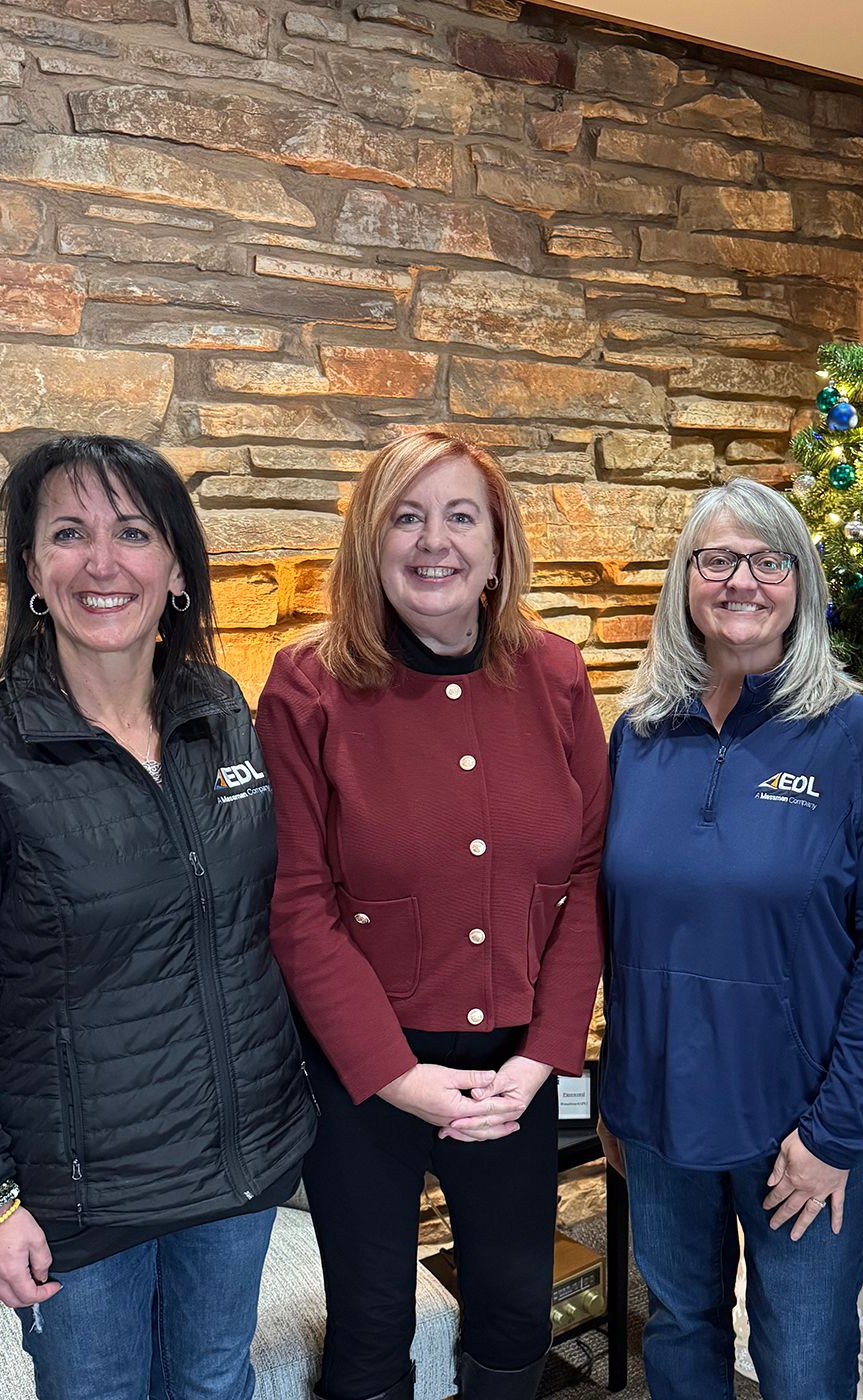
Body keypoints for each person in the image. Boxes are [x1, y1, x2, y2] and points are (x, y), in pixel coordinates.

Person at [0, 435, 317, 1399]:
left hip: (241, 1167)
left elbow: (261, 922)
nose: (102, 563)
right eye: (69, 534)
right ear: (32, 570)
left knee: (214, 1382)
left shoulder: (220, 710)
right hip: (83, 1201)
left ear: (177, 569)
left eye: (134, 533)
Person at [257, 429, 607, 1400]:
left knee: (515, 1308)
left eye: (460, 516)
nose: (433, 541)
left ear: (497, 547)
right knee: (371, 1323)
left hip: (511, 1072)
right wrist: (397, 1075)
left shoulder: (557, 674)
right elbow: (297, 902)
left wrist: (541, 1058)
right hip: (362, 1071)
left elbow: (586, 876)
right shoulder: (306, 684)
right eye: (405, 517)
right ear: (370, 542)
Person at [596, 477, 863, 1400]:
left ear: (799, 585)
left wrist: (838, 1130)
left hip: (801, 1125)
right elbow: (617, 927)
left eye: (768, 560)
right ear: (684, 582)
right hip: (659, 1112)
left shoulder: (854, 733)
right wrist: (619, 1089)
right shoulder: (637, 736)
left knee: (804, 1357)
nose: (741, 580)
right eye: (716, 560)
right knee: (678, 1330)